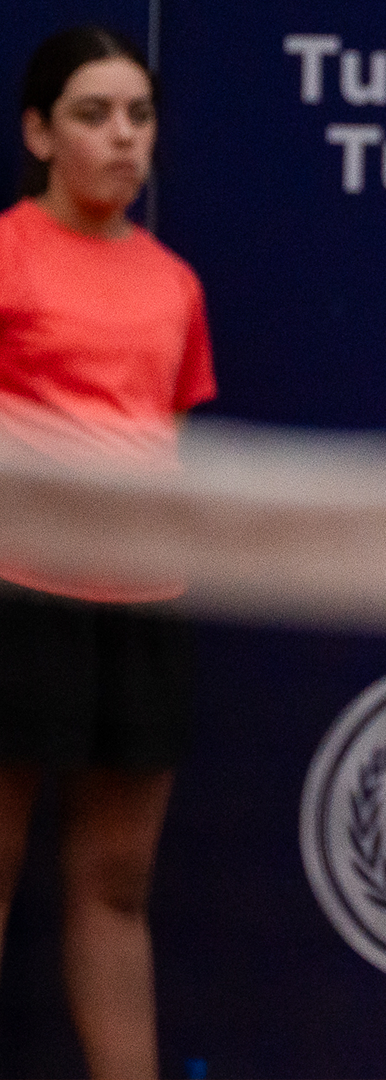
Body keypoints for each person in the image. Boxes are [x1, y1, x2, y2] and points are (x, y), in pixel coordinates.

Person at [0, 25, 214, 1080]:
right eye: (93, 114)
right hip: (15, 595)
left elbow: (162, 435)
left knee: (118, 882)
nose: (123, 136)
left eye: (139, 114)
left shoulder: (174, 284)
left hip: (143, 608)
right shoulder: (6, 253)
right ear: (39, 133)